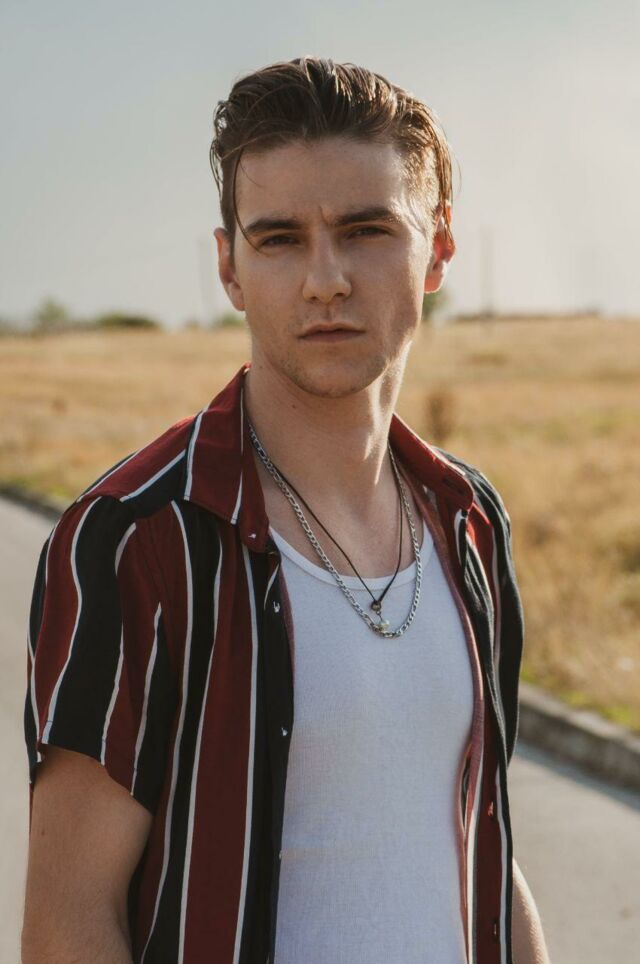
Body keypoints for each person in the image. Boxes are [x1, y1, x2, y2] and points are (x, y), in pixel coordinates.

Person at [21, 56, 550, 964]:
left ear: (438, 250)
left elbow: (483, 856)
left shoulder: (466, 519)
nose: (324, 280)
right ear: (229, 268)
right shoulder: (141, 538)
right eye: (279, 240)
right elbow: (70, 919)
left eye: (365, 230)